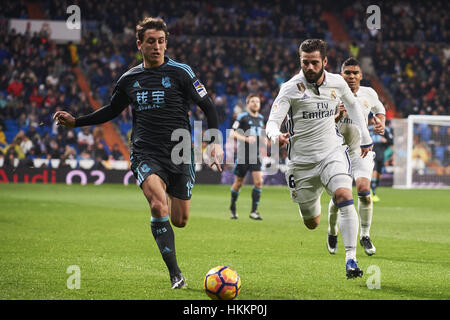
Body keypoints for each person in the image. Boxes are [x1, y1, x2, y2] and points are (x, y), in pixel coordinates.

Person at [53, 17, 224, 289]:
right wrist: (77, 121)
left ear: (166, 43)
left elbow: (209, 107)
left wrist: (214, 141)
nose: (156, 46)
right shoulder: (129, 79)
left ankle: (167, 188)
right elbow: (110, 111)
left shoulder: (181, 72)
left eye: (161, 41)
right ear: (139, 45)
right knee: (158, 204)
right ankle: (175, 274)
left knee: (180, 220)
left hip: (180, 152)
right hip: (145, 151)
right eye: (150, 42)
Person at [266, 39, 373, 279]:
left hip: (331, 153)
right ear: (300, 62)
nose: (310, 67)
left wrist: (365, 136)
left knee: (345, 195)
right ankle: (321, 209)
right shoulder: (290, 88)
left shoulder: (337, 82)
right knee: (311, 222)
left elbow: (354, 106)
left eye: (315, 62)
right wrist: (276, 135)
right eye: (305, 62)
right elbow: (272, 122)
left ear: (324, 61)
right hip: (301, 163)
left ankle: (351, 259)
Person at [327, 57, 386, 257]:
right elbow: (321, 125)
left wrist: (381, 124)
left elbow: (380, 110)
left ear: (361, 75)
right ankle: (332, 230)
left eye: (355, 73)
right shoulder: (331, 94)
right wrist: (337, 117)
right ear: (340, 75)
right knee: (339, 197)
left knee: (363, 191)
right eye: (347, 73)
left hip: (361, 150)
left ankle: (365, 235)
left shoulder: (369, 93)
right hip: (337, 151)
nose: (351, 76)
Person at [229, 94, 265, 220]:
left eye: (258, 101)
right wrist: (245, 138)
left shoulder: (261, 118)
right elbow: (232, 133)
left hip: (256, 155)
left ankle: (254, 211)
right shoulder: (242, 117)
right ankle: (232, 207)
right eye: (253, 101)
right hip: (243, 154)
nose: (256, 103)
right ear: (248, 104)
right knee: (239, 183)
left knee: (259, 181)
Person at [369, 116, 393, 202]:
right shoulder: (369, 129)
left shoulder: (385, 130)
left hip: (381, 155)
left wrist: (385, 140)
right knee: (374, 173)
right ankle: (372, 193)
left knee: (379, 175)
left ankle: (373, 191)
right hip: (371, 154)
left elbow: (391, 141)